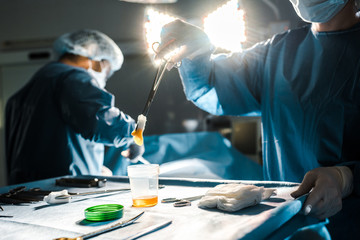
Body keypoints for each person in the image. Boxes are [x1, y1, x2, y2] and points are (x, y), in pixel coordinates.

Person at [155, 0, 360, 238]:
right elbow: (211, 86)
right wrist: (196, 52)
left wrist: (346, 178)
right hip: (283, 223)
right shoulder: (278, 51)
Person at [5, 29, 144, 185]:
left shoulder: (19, 98)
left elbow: (48, 146)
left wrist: (93, 169)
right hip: (60, 190)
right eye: (107, 71)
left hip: (25, 191)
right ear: (96, 61)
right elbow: (100, 121)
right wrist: (134, 134)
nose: (104, 77)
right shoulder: (72, 78)